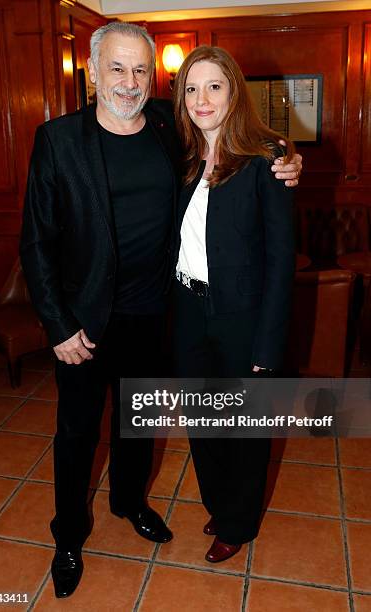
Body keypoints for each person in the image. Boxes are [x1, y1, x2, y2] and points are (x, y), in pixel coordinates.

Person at [20, 23, 302, 598]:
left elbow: (244, 147)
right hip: (83, 325)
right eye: (117, 69)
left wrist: (287, 159)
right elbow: (36, 244)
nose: (129, 81)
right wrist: (57, 324)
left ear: (153, 78)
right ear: (93, 72)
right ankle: (68, 537)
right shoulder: (58, 140)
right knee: (76, 434)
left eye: (141, 70)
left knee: (138, 427)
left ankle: (129, 504)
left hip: (155, 317)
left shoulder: (165, 131)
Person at [172, 45, 296, 563]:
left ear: (233, 92)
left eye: (214, 86)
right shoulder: (176, 155)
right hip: (187, 312)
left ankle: (238, 524)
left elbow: (280, 260)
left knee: (245, 430)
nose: (202, 99)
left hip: (243, 319)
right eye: (191, 88)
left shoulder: (267, 159)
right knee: (203, 424)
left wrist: (266, 345)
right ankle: (221, 505)